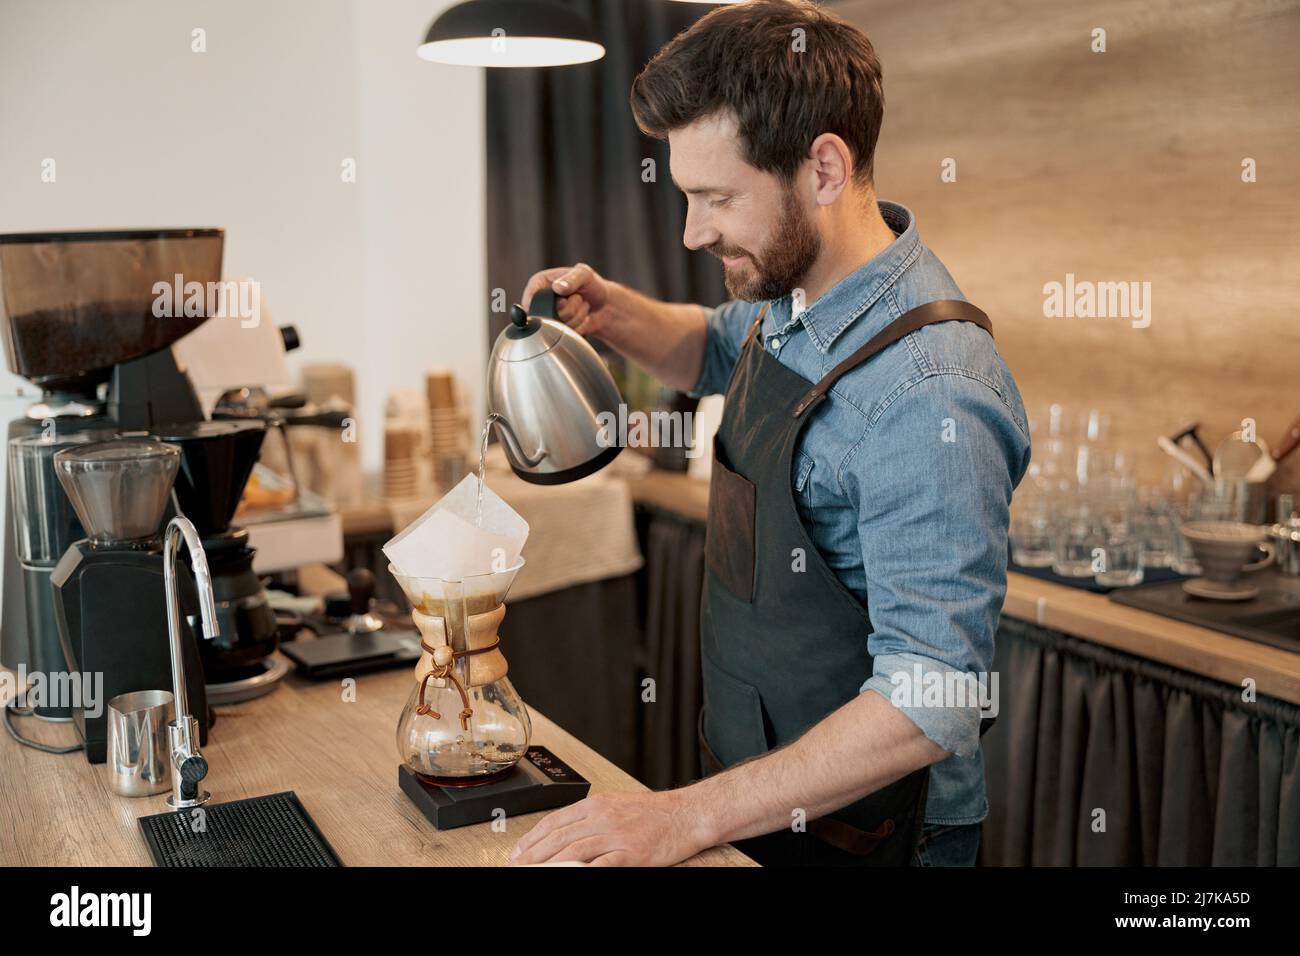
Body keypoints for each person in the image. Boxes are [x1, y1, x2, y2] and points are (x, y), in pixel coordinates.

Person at [509, 0, 1030, 867]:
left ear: (824, 167)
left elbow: (932, 698)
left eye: (717, 197)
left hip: (874, 837)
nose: (692, 230)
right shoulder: (802, 291)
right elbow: (719, 349)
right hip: (763, 796)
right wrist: (615, 313)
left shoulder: (932, 391)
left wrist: (681, 818)